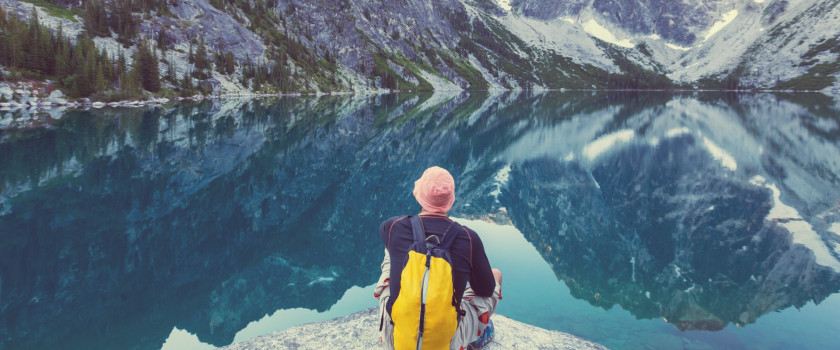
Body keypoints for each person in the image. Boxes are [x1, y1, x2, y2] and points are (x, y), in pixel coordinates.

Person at [374, 166, 502, 350]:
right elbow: (485, 289)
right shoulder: (468, 238)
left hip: (395, 340)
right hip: (445, 343)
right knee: (495, 275)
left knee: (390, 252)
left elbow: (389, 243)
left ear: (418, 194)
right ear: (451, 201)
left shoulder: (393, 226)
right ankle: (477, 335)